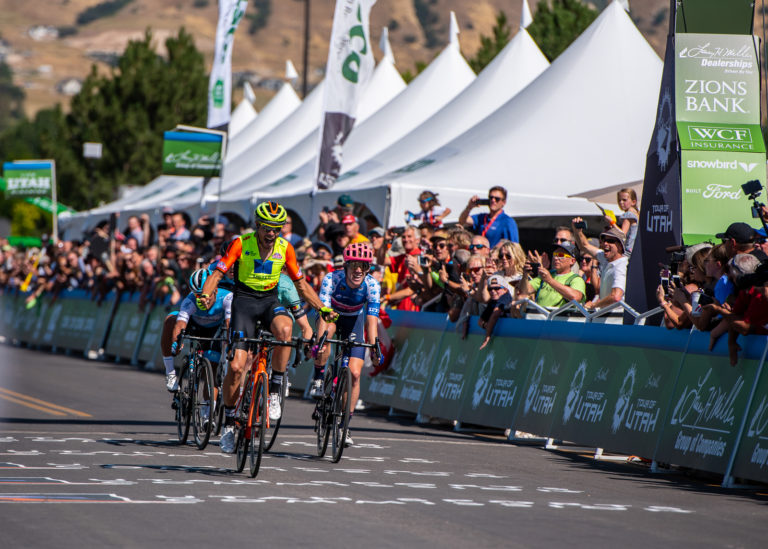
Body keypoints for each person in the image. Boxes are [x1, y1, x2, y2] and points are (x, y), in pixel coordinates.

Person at [199, 201, 334, 454]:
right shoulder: (242, 243)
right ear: (258, 226)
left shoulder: (286, 248)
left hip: (270, 301)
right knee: (237, 367)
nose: (272, 233)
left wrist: (321, 308)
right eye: (267, 228)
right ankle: (228, 421)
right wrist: (205, 295)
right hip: (244, 302)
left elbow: (302, 285)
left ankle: (275, 388)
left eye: (277, 228)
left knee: (285, 329)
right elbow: (217, 274)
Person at [313, 242, 381, 446]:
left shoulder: (372, 285)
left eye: (364, 266)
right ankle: (318, 377)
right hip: (332, 316)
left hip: (354, 321)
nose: (358, 270)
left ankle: (345, 425)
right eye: (354, 265)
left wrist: (375, 345)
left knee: (355, 374)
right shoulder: (332, 279)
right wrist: (320, 341)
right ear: (346, 266)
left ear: (369, 268)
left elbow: (372, 319)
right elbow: (323, 313)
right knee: (327, 334)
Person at [160, 269, 232, 397]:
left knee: (213, 370)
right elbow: (181, 324)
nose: (202, 300)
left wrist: (227, 351)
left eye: (204, 295)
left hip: (215, 330)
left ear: (215, 290)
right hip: (193, 325)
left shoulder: (227, 297)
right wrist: (177, 342)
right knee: (170, 320)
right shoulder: (190, 300)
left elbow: (229, 324)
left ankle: (206, 412)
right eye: (197, 295)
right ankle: (170, 372)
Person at [572, 220, 628, 310]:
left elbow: (616, 297)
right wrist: (577, 230)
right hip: (606, 315)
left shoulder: (621, 266)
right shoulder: (606, 258)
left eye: (610, 241)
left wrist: (594, 305)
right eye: (604, 240)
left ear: (620, 246)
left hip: (615, 318)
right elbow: (584, 246)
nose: (605, 243)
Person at [518, 241, 585, 308]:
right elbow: (525, 291)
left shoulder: (576, 279)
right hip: (539, 316)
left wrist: (550, 280)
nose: (556, 258)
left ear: (572, 261)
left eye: (561, 255)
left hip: (558, 317)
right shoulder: (547, 274)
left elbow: (576, 297)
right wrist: (525, 275)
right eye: (555, 254)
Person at [479, 275, 513, 350]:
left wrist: (487, 335)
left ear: (505, 289)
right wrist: (487, 326)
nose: (493, 291)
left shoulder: (505, 297)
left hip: (511, 334)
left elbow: (495, 315)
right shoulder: (493, 301)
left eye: (497, 288)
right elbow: (480, 321)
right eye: (490, 289)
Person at [615, 188, 639, 253]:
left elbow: (622, 234)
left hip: (628, 250)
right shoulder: (636, 213)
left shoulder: (628, 214)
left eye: (624, 200)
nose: (621, 202)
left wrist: (611, 222)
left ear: (633, 202)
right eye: (619, 200)